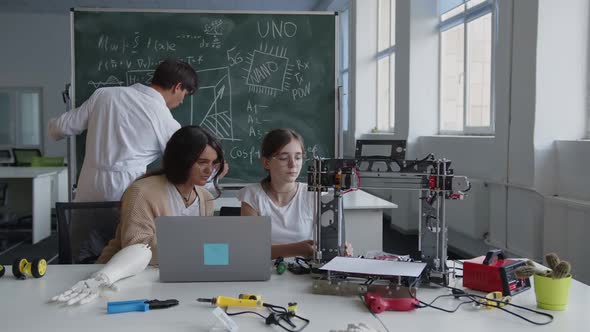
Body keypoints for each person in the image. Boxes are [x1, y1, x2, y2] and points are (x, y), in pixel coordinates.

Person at [48, 59, 198, 202]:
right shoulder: (165, 121)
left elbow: (58, 128)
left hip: (88, 190)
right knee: (126, 229)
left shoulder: (104, 95)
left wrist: (51, 124)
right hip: (125, 194)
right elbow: (183, 163)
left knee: (82, 230)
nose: (182, 101)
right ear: (177, 87)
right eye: (184, 94)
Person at [97, 125, 224, 265]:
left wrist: (222, 256)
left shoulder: (206, 198)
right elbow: (136, 247)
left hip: (180, 272)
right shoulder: (141, 192)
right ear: (182, 159)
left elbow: (205, 248)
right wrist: (197, 249)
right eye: (202, 162)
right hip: (124, 275)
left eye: (214, 163)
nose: (209, 170)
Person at [237, 129, 351, 259]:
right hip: (264, 271)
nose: (293, 164)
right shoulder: (252, 196)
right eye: (284, 158)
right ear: (266, 162)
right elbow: (251, 249)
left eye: (298, 157)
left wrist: (340, 247)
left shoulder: (314, 194)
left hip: (304, 272)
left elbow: (329, 243)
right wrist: (297, 249)